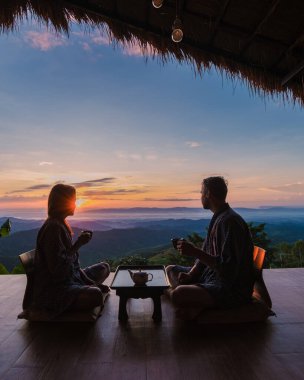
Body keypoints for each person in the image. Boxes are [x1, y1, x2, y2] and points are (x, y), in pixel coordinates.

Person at [166, 176, 254, 319]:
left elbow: (228, 269)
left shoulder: (229, 222)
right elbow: (206, 252)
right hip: (210, 277)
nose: (200, 196)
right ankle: (196, 302)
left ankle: (192, 301)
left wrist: (194, 251)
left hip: (229, 289)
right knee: (170, 269)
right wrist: (191, 274)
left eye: (202, 193)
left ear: (208, 194)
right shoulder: (219, 218)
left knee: (178, 294)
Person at [31, 184, 110, 318]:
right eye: (73, 201)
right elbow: (57, 271)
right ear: (62, 203)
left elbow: (73, 265)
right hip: (57, 289)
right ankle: (68, 302)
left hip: (72, 278)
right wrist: (78, 244)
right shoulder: (53, 228)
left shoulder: (61, 224)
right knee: (95, 295)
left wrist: (91, 282)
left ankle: (85, 289)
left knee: (105, 267)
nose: (75, 205)